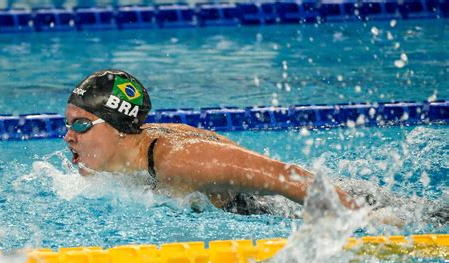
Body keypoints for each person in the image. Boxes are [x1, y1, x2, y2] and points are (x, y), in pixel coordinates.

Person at [64, 69, 359, 214]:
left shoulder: (180, 160)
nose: (69, 136)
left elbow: (285, 177)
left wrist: (361, 220)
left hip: (323, 204)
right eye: (67, 124)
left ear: (118, 127)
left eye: (81, 124)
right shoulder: (133, 149)